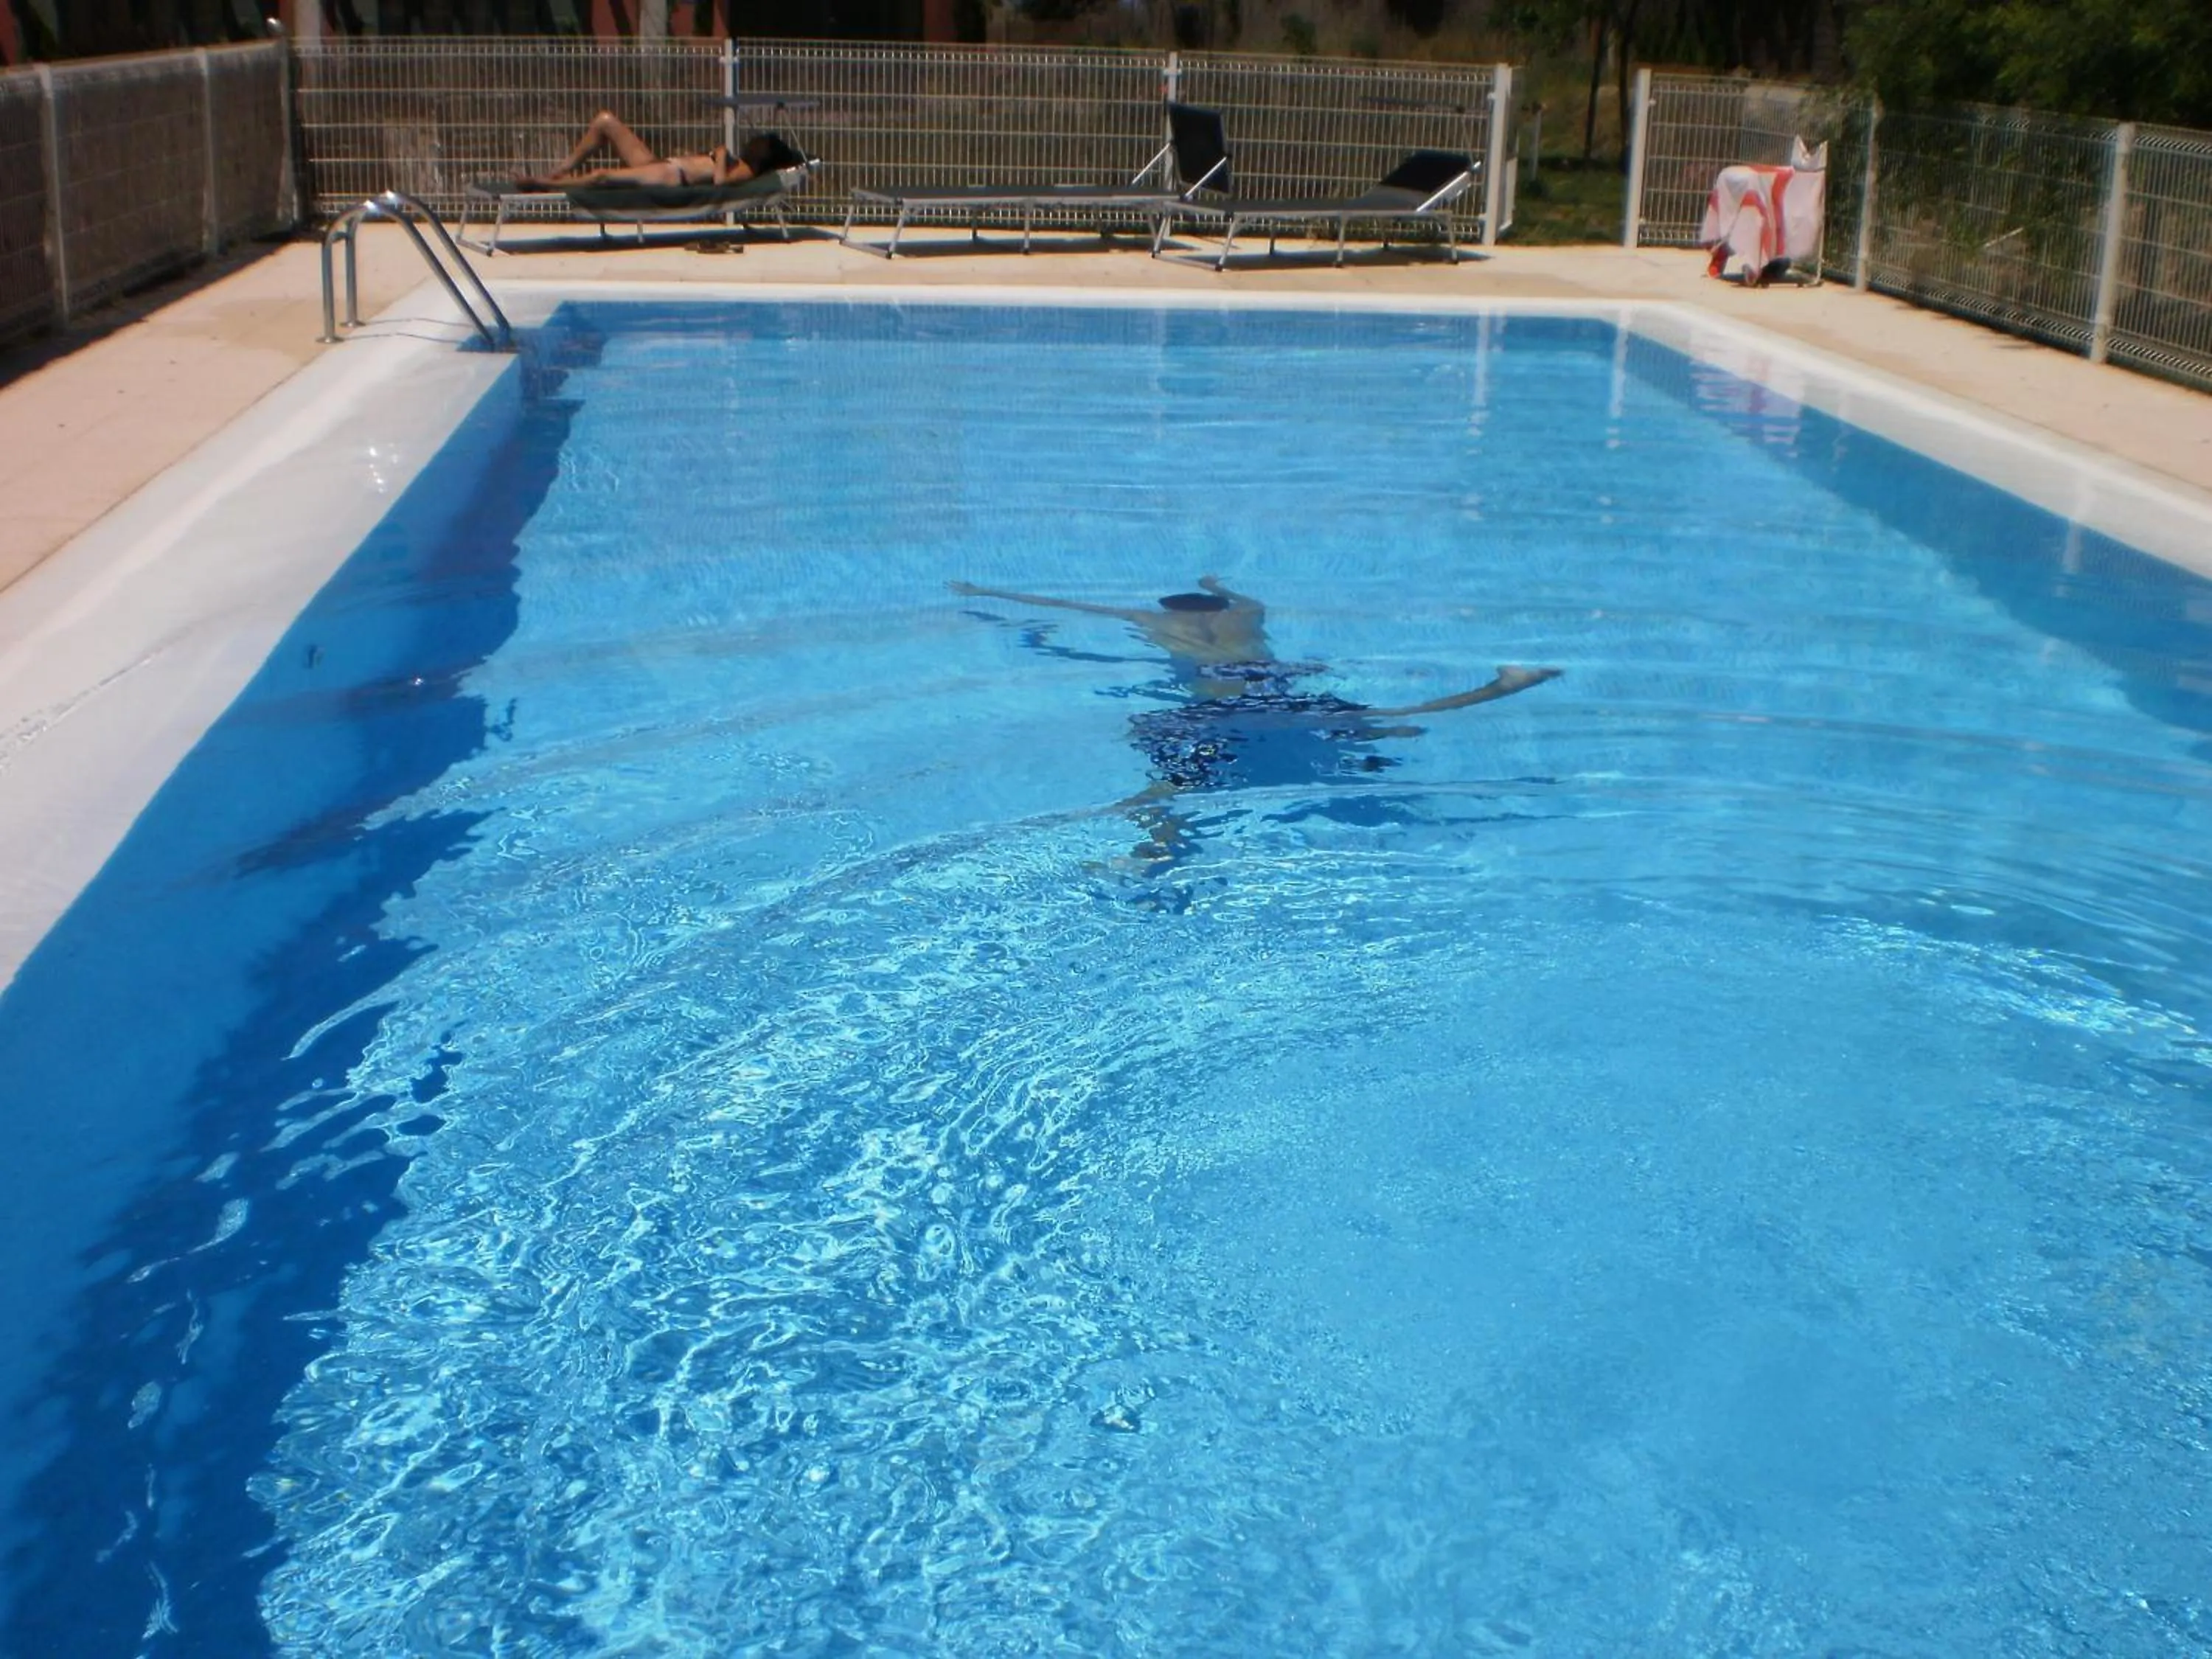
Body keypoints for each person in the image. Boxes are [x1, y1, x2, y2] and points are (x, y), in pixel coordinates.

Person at [948, 576, 1560, 869]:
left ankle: (1154, 848)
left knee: (1176, 785)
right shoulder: (1249, 614)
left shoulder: (1157, 623)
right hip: (1277, 687)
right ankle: (1500, 688)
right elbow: (1237, 596)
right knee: (1375, 719)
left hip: (1220, 708)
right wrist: (1219, 581)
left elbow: (1067, 610)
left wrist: (992, 599)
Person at [518, 113, 780, 191]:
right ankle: (562, 169)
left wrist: (721, 154)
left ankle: (546, 184)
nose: (754, 141)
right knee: (604, 122)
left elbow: (720, 183)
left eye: (760, 143)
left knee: (602, 175)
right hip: (663, 164)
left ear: (764, 155)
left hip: (670, 176)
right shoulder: (743, 161)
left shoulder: (748, 170)